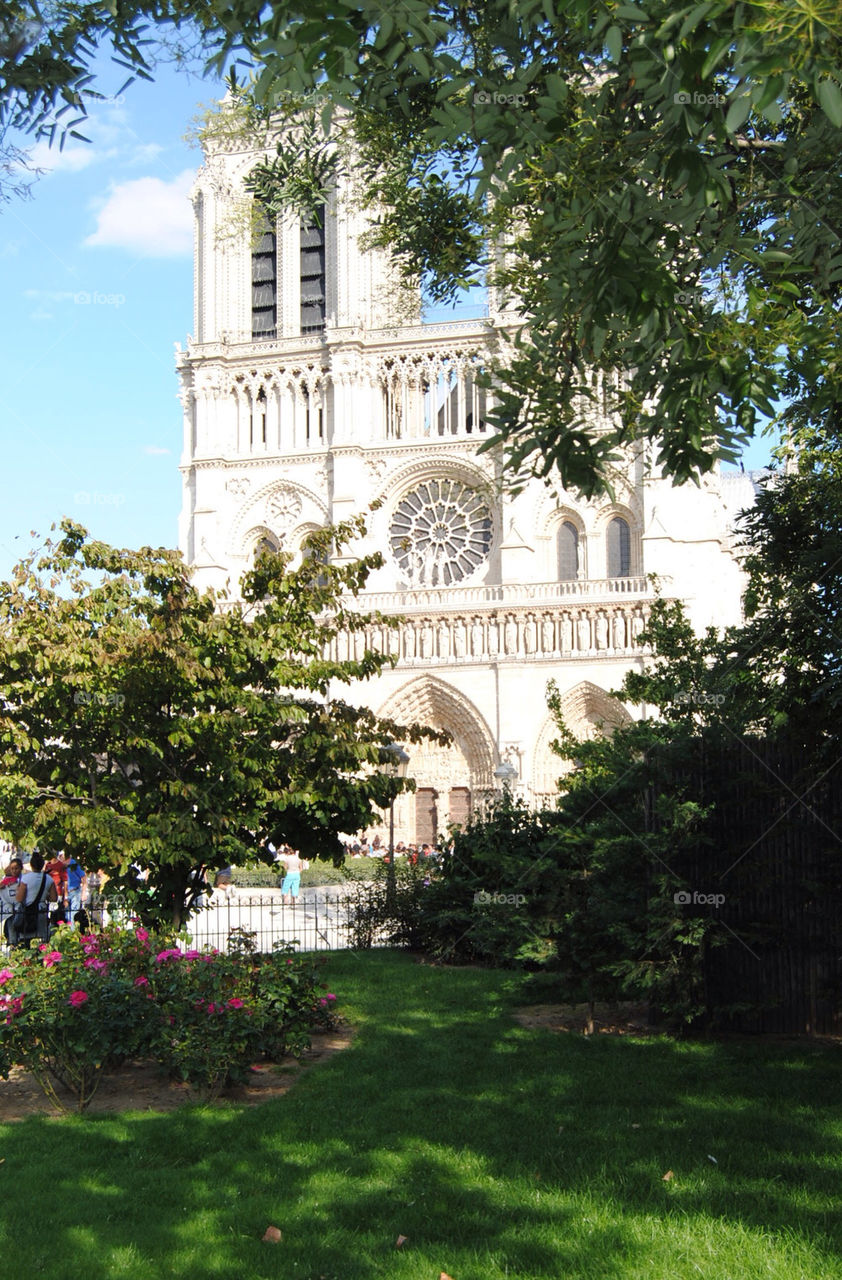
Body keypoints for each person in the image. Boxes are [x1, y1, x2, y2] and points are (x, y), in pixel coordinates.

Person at [14, 850, 57, 946]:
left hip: (28, 911)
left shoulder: (26, 878)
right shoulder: (48, 879)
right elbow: (54, 898)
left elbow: (19, 898)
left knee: (26, 939)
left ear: (31, 865)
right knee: (41, 939)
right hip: (41, 910)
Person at [0, 858, 23, 946]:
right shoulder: (7, 880)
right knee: (11, 928)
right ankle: (13, 946)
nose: (14, 870)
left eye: (16, 868)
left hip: (20, 909)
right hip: (10, 910)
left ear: (20, 868)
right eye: (12, 868)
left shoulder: (22, 879)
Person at [65, 854, 88, 922]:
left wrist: (84, 892)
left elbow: (84, 877)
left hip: (75, 891)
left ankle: (73, 931)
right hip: (66, 892)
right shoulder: (61, 865)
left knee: (73, 915)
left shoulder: (74, 863)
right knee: (66, 916)